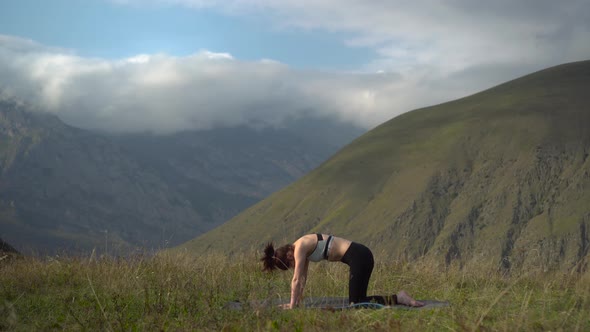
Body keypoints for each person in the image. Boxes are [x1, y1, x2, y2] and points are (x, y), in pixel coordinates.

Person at [261, 233, 424, 309]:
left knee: (356, 304)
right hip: (359, 257)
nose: (294, 266)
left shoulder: (300, 248)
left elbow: (296, 280)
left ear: (289, 256)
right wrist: (296, 303)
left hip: (360, 256)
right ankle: (398, 298)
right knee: (358, 301)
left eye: (290, 264)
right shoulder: (301, 249)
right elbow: (302, 279)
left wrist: (291, 305)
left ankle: (400, 298)